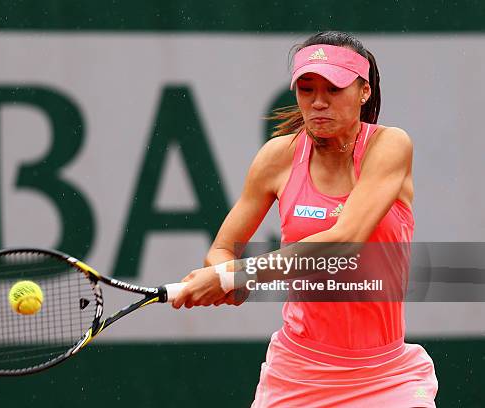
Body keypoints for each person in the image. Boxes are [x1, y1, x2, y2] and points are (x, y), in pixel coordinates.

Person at [172, 31, 438, 407]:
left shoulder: (389, 145)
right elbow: (221, 249)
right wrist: (224, 272)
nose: (318, 103)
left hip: (387, 378)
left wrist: (234, 275)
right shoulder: (277, 157)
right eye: (307, 89)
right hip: (297, 375)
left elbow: (345, 240)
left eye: (333, 89)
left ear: (364, 91)